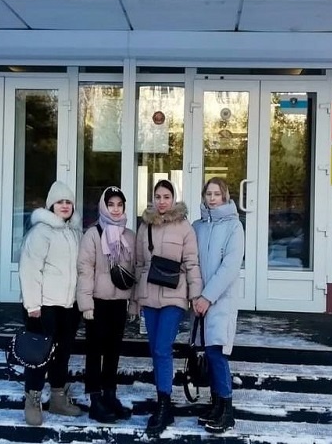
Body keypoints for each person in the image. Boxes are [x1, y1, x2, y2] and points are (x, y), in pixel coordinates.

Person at [132, 179, 203, 437]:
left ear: (174, 199)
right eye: (158, 197)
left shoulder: (184, 227)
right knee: (156, 350)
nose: (162, 201)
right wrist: (135, 300)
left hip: (174, 296)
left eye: (166, 197)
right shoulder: (145, 226)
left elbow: (192, 263)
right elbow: (139, 265)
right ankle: (163, 400)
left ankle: (164, 404)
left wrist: (195, 295)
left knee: (163, 347)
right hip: (149, 296)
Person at [18, 181, 84, 426]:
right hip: (44, 306)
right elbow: (29, 269)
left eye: (68, 202)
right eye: (60, 202)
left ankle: (58, 398)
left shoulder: (75, 233)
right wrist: (32, 305)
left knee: (62, 354)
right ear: (51, 205)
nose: (65, 206)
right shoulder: (41, 232)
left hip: (69, 305)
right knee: (39, 355)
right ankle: (32, 399)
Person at [77, 186, 135, 423]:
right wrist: (86, 304)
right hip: (97, 302)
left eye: (119, 205)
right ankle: (95, 399)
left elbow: (133, 271)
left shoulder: (129, 235)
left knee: (113, 351)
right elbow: (84, 269)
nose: (115, 209)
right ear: (103, 206)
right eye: (111, 204)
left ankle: (110, 394)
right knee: (94, 351)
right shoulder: (93, 234)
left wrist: (133, 304)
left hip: (119, 302)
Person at [191, 177, 245, 434]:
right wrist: (195, 295)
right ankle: (215, 405)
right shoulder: (198, 226)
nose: (212, 198)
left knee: (217, 352)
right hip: (200, 301)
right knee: (208, 352)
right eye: (208, 194)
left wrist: (208, 296)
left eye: (216, 194)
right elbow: (191, 263)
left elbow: (230, 267)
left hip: (220, 299)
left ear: (225, 196)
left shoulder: (234, 226)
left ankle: (226, 410)